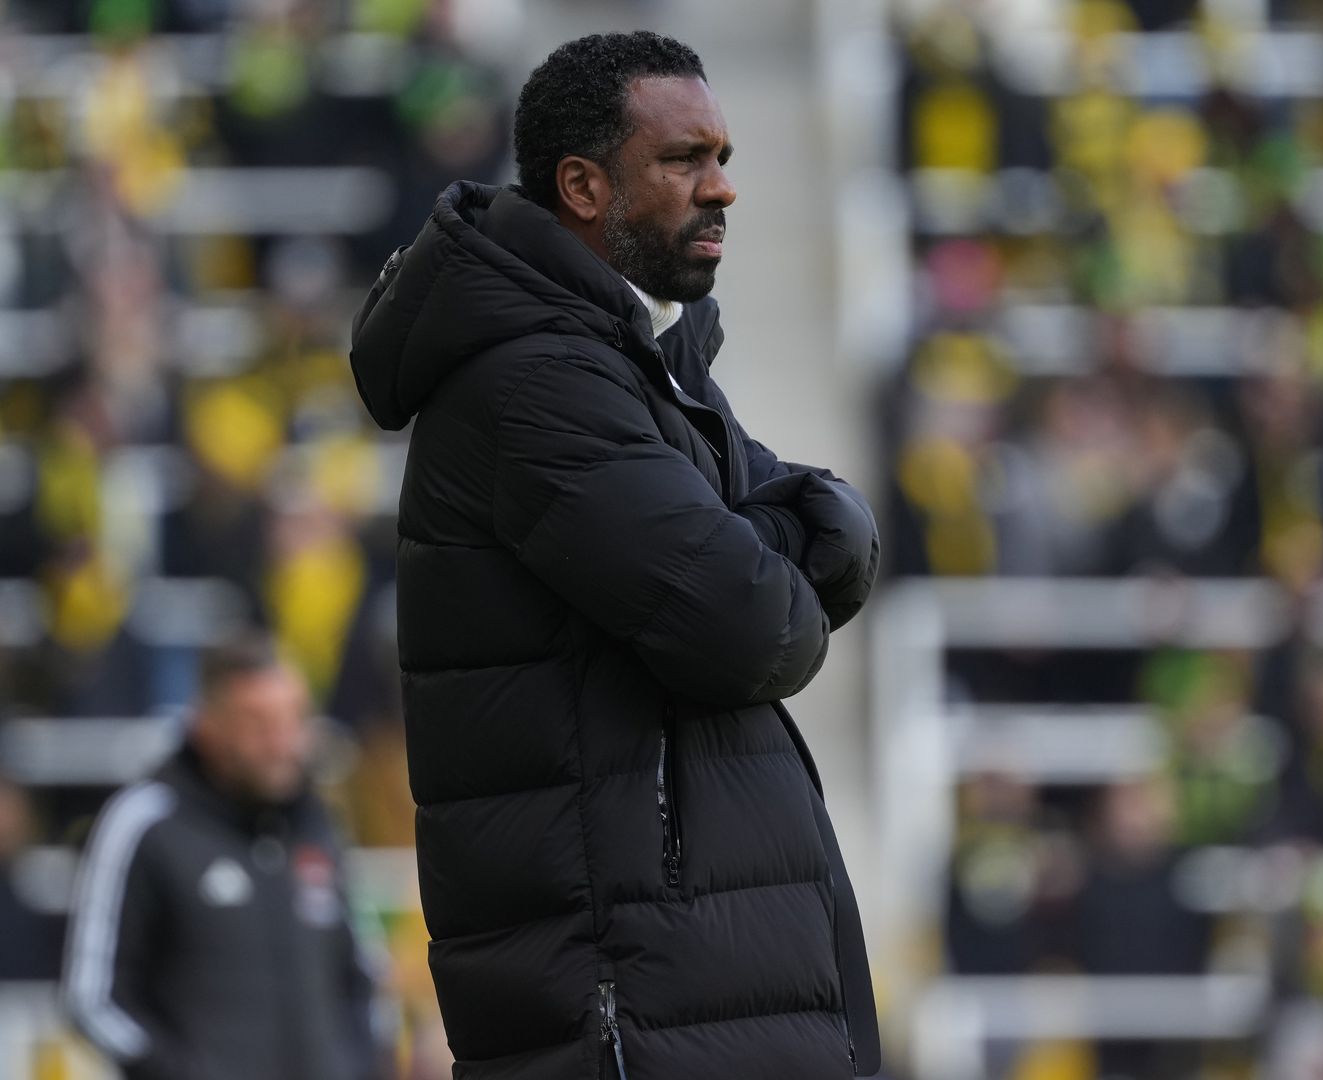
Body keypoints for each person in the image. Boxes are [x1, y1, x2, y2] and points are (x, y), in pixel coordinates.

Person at [347, 31, 882, 1079]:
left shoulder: (636, 363)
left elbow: (837, 534)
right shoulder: (537, 385)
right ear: (584, 185)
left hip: (695, 986)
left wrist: (764, 539)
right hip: (635, 997)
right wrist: (769, 542)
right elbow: (752, 624)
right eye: (685, 160)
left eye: (723, 155)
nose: (722, 187)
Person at [60, 637, 384, 1080]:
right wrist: (176, 1072)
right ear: (206, 726)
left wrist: (359, 1067)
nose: (280, 742)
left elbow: (361, 975)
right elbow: (92, 998)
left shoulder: (319, 824)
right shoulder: (146, 821)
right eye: (258, 723)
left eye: (292, 719)